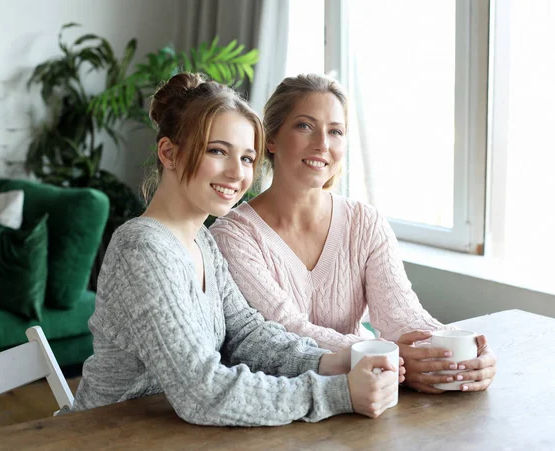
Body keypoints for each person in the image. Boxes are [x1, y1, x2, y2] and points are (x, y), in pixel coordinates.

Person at [72, 73, 406, 425]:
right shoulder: (143, 248)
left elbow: (247, 334)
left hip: (171, 434)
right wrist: (337, 393)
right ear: (169, 153)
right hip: (106, 435)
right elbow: (202, 391)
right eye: (218, 151)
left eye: (247, 158)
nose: (236, 173)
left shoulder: (202, 240)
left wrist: (332, 360)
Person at [210, 73, 497, 394]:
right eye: (305, 126)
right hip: (284, 398)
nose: (322, 143)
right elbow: (286, 329)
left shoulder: (366, 222)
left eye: (336, 131)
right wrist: (382, 353)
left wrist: (464, 350)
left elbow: (400, 315)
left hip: (372, 388)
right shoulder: (232, 236)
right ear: (271, 139)